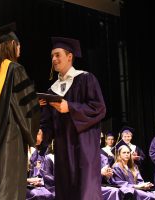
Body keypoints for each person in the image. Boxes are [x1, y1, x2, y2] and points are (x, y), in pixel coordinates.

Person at [0, 22, 40, 200]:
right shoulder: (15, 69)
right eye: (19, 46)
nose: (20, 50)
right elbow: (26, 106)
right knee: (7, 187)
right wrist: (35, 131)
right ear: (12, 45)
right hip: (10, 138)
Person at [39, 37, 106, 200]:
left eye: (57, 55)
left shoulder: (86, 79)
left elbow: (99, 108)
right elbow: (48, 124)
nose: (54, 59)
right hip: (63, 151)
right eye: (52, 56)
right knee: (66, 192)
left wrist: (70, 107)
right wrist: (41, 135)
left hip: (84, 148)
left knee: (85, 192)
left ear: (69, 56)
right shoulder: (52, 90)